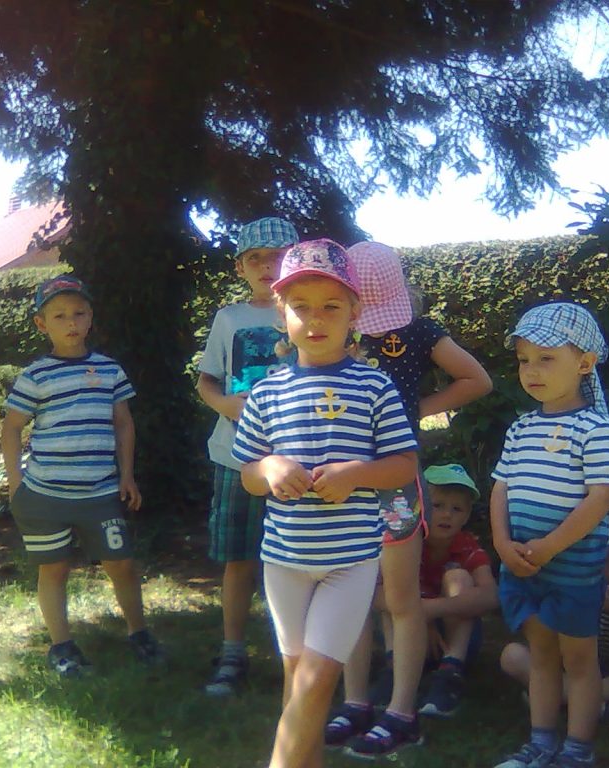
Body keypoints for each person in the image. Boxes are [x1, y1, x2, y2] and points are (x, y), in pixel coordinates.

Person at [232, 239, 419, 768]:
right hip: (284, 561)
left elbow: (404, 465)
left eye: (331, 307)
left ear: (355, 313)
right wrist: (269, 468)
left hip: (349, 562)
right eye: (301, 307)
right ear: (281, 313)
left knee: (316, 679)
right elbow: (248, 473)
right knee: (299, 681)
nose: (316, 319)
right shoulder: (266, 392)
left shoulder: (375, 386)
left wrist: (355, 474)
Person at [325, 241, 492, 758]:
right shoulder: (335, 330)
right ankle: (355, 702)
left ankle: (402, 712)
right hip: (344, 482)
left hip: (396, 478)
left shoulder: (420, 332)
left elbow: (477, 379)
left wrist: (416, 409)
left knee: (400, 597)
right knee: (352, 593)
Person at [1, 275, 162, 677]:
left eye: (79, 313)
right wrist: (16, 484)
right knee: (54, 568)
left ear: (91, 317)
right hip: (45, 496)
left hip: (101, 493)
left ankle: (139, 633)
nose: (71, 322)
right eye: (59, 316)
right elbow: (11, 428)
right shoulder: (35, 375)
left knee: (121, 563)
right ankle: (62, 646)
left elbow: (123, 423)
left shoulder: (109, 370)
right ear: (42, 324)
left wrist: (127, 475)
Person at [490, 302, 609, 768]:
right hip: (524, 567)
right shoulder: (521, 428)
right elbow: (501, 487)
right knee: (542, 656)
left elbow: (601, 498)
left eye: (546, 358)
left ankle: (578, 751)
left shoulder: (596, 428)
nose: (532, 370)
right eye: (524, 360)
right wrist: (501, 544)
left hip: (571, 571)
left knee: (579, 660)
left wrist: (549, 547)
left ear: (585, 363)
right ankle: (541, 743)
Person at [196, 216, 298, 696]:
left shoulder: (308, 314)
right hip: (235, 457)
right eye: (255, 258)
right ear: (240, 267)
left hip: (296, 459)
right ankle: (232, 651)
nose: (266, 266)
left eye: (277, 256)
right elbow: (207, 380)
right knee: (238, 559)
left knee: (295, 561)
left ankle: (296, 654)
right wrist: (226, 406)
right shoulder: (229, 319)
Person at [500, 505, 609, 734]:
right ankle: (596, 706)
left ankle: (566, 696)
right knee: (512, 656)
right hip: (577, 668)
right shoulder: (576, 586)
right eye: (603, 560)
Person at [413, 463, 498, 718]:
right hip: (411, 633)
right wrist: (422, 620)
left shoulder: (467, 546)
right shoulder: (408, 542)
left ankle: (451, 670)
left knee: (458, 577)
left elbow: (491, 595)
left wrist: (429, 611)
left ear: (467, 515)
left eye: (456, 509)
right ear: (419, 504)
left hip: (458, 638)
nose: (447, 515)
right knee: (395, 583)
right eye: (438, 505)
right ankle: (393, 668)